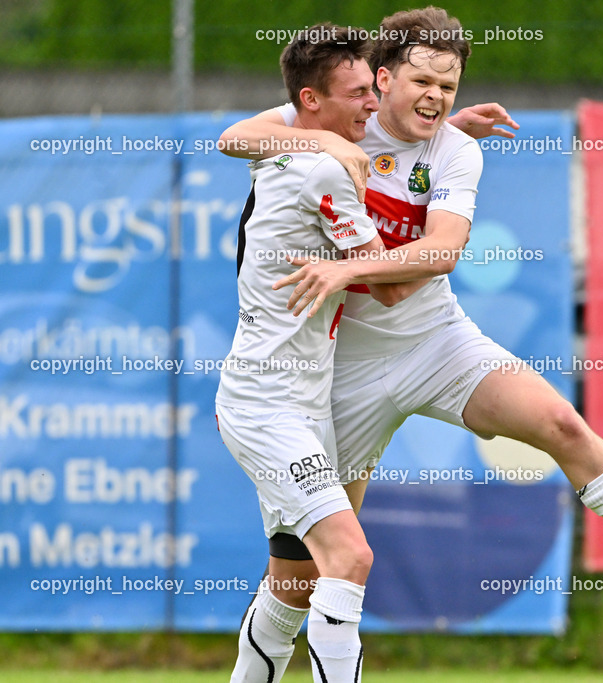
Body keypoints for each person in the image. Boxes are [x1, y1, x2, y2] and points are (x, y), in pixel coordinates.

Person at [222, 6, 603, 678]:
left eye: (447, 87)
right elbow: (235, 136)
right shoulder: (333, 124)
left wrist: (353, 263)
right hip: (344, 377)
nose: (436, 98)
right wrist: (322, 144)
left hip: (439, 342)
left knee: (562, 422)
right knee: (300, 578)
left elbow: (444, 249)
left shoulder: (454, 147)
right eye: (421, 80)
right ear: (382, 80)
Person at [215, 24, 416, 682]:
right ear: (310, 100)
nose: (372, 103)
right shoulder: (322, 164)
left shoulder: (293, 142)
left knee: (294, 586)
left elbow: (237, 137)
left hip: (297, 403)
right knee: (349, 558)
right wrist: (445, 240)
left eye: (373, 89)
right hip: (269, 405)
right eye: (359, 93)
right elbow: (387, 286)